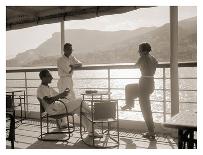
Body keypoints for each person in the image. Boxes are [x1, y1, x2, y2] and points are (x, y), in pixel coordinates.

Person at [37, 69, 102, 138]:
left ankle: (91, 131)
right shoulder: (41, 89)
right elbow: (49, 101)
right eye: (49, 76)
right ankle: (94, 115)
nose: (52, 78)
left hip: (59, 107)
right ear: (43, 78)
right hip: (54, 110)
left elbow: (59, 96)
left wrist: (65, 93)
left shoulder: (48, 87)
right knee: (80, 100)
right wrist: (61, 95)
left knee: (81, 109)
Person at [121, 42, 158, 140]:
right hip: (150, 83)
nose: (138, 52)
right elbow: (155, 65)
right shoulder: (153, 58)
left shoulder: (143, 57)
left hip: (144, 84)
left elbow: (135, 66)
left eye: (139, 50)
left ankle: (152, 133)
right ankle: (129, 104)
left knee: (145, 109)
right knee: (129, 88)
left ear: (144, 51)